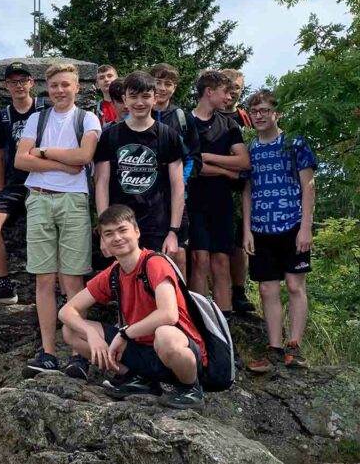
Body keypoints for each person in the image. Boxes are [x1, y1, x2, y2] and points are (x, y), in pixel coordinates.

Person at [59, 205, 208, 409]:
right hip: (139, 347)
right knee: (71, 331)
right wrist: (90, 333)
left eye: (122, 230)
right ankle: (137, 379)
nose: (117, 238)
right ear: (103, 240)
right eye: (109, 234)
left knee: (165, 335)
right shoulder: (114, 273)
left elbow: (168, 314)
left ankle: (190, 387)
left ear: (137, 232)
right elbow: (67, 311)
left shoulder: (154, 263)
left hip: (176, 349)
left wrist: (124, 334)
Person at [15, 62, 101, 377]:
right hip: (38, 198)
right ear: (47, 89)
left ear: (77, 87)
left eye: (66, 84)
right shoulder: (37, 119)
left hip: (73, 201)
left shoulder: (87, 118)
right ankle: (48, 352)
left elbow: (84, 157)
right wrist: (63, 165)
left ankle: (79, 353)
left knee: (73, 279)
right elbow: (20, 160)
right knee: (43, 279)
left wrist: (45, 152)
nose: (60, 91)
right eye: (54, 86)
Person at [242, 89, 317, 373]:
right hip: (261, 227)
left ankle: (295, 346)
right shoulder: (250, 150)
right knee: (266, 288)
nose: (259, 115)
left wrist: (306, 227)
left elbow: (309, 186)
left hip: (292, 224)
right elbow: (247, 191)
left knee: (295, 285)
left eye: (264, 110)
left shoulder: (294, 144)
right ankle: (274, 348)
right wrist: (247, 229)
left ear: (277, 113)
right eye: (254, 111)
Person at [0, 63, 46, 307]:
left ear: (32, 82)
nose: (18, 85)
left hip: (43, 180)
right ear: (6, 86)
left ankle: (56, 288)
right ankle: (3, 285)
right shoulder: (4, 115)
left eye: (23, 80)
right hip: (16, 184)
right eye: (13, 81)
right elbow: (0, 156)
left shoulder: (44, 109)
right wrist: (1, 189)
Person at [94, 72, 185, 255]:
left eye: (145, 96)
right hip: (119, 226)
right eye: (133, 96)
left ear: (155, 98)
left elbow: (177, 186)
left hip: (157, 225)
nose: (139, 102)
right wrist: (105, 231)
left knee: (155, 280)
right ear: (124, 100)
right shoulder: (110, 136)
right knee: (122, 281)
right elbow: (101, 183)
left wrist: (173, 232)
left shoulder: (168, 136)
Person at [188, 69, 250, 315]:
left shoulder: (229, 124)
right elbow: (191, 166)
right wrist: (226, 170)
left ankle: (225, 320)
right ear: (209, 92)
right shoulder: (185, 122)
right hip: (193, 201)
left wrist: (206, 157)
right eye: (225, 92)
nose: (229, 97)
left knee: (221, 261)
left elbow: (244, 162)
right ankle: (202, 319)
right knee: (199, 260)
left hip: (221, 201)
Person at [149, 63, 202, 278]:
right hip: (147, 195)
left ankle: (180, 303)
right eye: (157, 82)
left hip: (177, 196)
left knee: (178, 252)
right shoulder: (140, 111)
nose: (162, 88)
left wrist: (180, 181)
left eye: (168, 84)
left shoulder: (183, 118)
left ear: (175, 87)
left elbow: (194, 157)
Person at [219, 69, 256, 315]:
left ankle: (239, 290)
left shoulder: (246, 119)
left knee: (240, 242)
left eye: (238, 88)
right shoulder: (207, 114)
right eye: (229, 86)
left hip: (243, 185)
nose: (233, 92)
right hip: (215, 184)